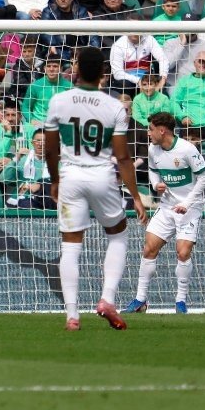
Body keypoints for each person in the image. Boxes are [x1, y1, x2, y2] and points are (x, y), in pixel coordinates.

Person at [44, 45, 150, 331]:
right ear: (104, 73)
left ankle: (72, 316)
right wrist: (137, 197)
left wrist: (55, 180)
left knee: (70, 245)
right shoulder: (115, 106)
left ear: (76, 70)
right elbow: (124, 157)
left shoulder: (59, 101)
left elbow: (50, 150)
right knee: (118, 235)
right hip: (102, 176)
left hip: (71, 177)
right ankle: (107, 299)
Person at [122, 112, 205, 315]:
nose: (148, 132)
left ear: (162, 130)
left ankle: (180, 302)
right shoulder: (153, 149)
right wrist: (154, 184)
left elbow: (204, 179)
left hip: (190, 207)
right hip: (167, 205)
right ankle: (140, 300)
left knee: (183, 252)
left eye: (151, 129)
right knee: (149, 248)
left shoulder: (187, 149)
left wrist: (187, 203)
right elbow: (152, 170)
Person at [2, 129, 56, 208]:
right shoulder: (23, 160)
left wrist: (40, 187)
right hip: (20, 200)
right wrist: (16, 158)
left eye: (44, 141)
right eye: (37, 140)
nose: (40, 144)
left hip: (44, 203)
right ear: (32, 143)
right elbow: (5, 179)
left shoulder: (57, 163)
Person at [108, 29, 169, 96]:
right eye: (131, 28)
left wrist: (163, 78)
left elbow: (163, 59)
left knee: (162, 88)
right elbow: (117, 74)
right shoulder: (118, 45)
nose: (134, 32)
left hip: (146, 78)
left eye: (136, 28)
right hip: (129, 81)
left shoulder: (149, 39)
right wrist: (138, 81)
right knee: (124, 84)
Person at [22, 53, 73, 126]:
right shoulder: (35, 86)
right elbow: (25, 107)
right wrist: (31, 120)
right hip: (39, 125)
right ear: (44, 69)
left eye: (55, 66)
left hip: (61, 125)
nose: (51, 69)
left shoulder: (69, 86)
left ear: (61, 69)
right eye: (48, 66)